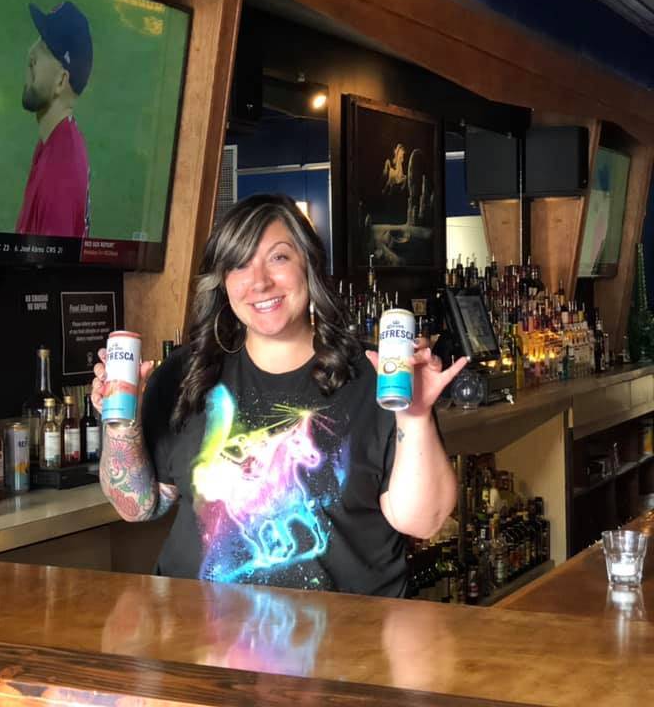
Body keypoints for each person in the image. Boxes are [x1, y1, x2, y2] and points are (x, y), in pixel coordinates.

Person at [91, 194, 466, 597]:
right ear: (223, 282)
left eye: (278, 258)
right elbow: (137, 506)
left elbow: (422, 521)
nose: (259, 282)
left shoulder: (374, 375)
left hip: (347, 632)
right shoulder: (187, 373)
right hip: (196, 627)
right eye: (239, 264)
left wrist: (415, 416)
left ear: (309, 264)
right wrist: (121, 425)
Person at [15, 1, 93, 239]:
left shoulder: (59, 175)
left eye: (45, 48)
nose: (31, 53)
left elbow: (51, 264)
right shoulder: (55, 139)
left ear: (61, 81)